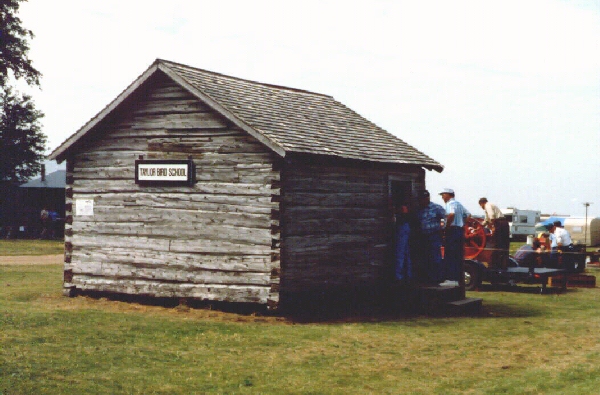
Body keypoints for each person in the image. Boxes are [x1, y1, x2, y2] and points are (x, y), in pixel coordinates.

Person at [439, 188, 470, 286]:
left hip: (452, 230)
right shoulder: (459, 204)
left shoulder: (450, 204)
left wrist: (446, 227)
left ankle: (451, 279)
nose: (442, 197)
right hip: (459, 230)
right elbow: (468, 215)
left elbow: (451, 214)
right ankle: (457, 279)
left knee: (450, 254)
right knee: (457, 255)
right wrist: (462, 223)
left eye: (443, 194)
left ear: (448, 195)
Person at [415, 190, 447, 285]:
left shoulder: (436, 208)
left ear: (428, 198)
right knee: (425, 258)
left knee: (435, 257)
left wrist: (442, 228)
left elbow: (445, 218)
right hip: (422, 237)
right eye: (421, 199)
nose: (423, 200)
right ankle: (427, 279)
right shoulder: (418, 209)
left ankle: (437, 279)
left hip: (434, 236)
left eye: (425, 198)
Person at [478, 197, 510, 269]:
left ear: (482, 203)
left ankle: (495, 264)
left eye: (481, 206)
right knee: (503, 244)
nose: (481, 207)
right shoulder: (489, 207)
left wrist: (493, 227)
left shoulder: (487, 205)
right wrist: (479, 227)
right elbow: (486, 220)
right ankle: (502, 263)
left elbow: (492, 216)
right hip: (503, 223)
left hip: (500, 223)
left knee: (497, 243)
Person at [394, 205, 414, 282]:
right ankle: (407, 275)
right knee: (405, 253)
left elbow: (404, 214)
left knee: (400, 253)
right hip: (404, 227)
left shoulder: (402, 209)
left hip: (402, 226)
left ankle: (399, 276)